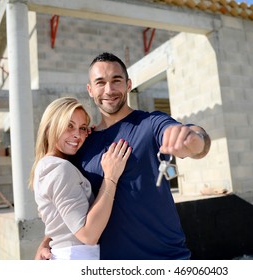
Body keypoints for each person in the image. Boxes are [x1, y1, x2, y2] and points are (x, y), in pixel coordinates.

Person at [35, 52, 211, 260]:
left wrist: (192, 138)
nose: (109, 90)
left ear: (128, 85)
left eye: (116, 81)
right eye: (100, 82)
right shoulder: (82, 142)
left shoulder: (150, 123)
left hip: (166, 257)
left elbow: (199, 142)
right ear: (90, 90)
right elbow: (66, 204)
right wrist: (47, 241)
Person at [29, 97, 131, 260]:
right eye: (69, 126)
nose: (77, 134)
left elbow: (60, 222)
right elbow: (88, 235)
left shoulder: (48, 166)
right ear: (49, 128)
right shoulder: (60, 169)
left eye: (82, 128)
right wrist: (111, 178)